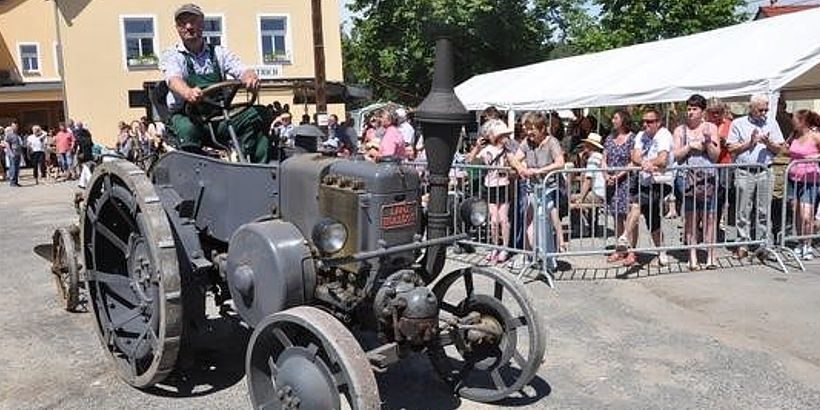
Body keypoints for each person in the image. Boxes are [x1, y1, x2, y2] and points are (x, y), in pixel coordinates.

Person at [160, 3, 271, 163]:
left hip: (219, 116)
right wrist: (188, 92)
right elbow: (173, 79)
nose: (189, 27)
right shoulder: (173, 56)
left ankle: (254, 165)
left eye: (193, 21)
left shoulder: (219, 53)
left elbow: (242, 70)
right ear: (177, 28)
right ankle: (193, 170)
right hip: (188, 117)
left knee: (258, 114)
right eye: (183, 23)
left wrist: (250, 77)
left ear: (202, 25)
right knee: (187, 130)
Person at [726, 94, 785, 259]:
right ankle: (742, 244)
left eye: (766, 109)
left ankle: (763, 244)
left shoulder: (771, 123)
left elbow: (779, 149)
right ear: (751, 108)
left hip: (765, 171)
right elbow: (731, 148)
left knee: (764, 211)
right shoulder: (738, 123)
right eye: (761, 110)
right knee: (743, 210)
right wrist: (750, 143)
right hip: (744, 171)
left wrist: (768, 143)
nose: (764, 113)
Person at [617, 108, 675, 267]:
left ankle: (624, 236)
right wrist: (644, 163)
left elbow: (663, 159)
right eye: (643, 121)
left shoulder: (664, 135)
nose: (645, 124)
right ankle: (662, 253)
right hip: (644, 180)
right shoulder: (641, 135)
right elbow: (635, 156)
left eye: (649, 121)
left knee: (637, 204)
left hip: (661, 181)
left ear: (658, 122)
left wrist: (649, 163)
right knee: (652, 219)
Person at [673, 94, 721, 270]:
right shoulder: (680, 130)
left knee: (710, 217)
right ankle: (692, 256)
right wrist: (689, 146)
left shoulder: (711, 127)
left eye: (694, 109)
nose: (691, 112)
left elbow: (715, 156)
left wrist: (707, 142)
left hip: (708, 177)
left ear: (702, 111)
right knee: (691, 218)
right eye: (689, 109)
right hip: (687, 178)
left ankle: (711, 256)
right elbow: (676, 155)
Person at [510, 111, 567, 258]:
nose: (529, 132)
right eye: (527, 129)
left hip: (551, 187)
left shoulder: (552, 142)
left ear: (542, 129)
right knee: (529, 219)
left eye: (532, 129)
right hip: (534, 188)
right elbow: (515, 159)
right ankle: (532, 254)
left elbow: (560, 163)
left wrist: (538, 171)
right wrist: (521, 169)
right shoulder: (527, 142)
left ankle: (551, 253)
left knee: (545, 218)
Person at [466, 119, 513, 263]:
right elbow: (470, 160)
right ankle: (495, 246)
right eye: (503, 135)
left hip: (503, 186)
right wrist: (477, 147)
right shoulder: (486, 149)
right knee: (494, 220)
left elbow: (514, 163)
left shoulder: (507, 150)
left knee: (503, 219)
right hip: (490, 186)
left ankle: (505, 248)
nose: (505, 138)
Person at [602, 110, 636, 264]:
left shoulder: (632, 138)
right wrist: (606, 175)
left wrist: (618, 176)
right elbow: (604, 159)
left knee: (629, 216)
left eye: (615, 118)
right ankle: (620, 249)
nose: (613, 120)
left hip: (626, 181)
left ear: (623, 119)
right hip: (611, 182)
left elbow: (633, 161)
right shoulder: (609, 138)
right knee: (616, 217)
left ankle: (632, 250)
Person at [786, 109, 820, 260]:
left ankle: (808, 244)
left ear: (803, 121)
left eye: (794, 119)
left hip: (810, 179)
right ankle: (800, 243)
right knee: (796, 212)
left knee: (806, 214)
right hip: (793, 178)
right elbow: (785, 150)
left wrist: (814, 156)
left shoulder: (815, 136)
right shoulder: (794, 135)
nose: (792, 121)